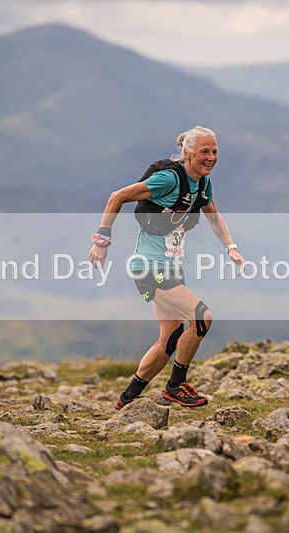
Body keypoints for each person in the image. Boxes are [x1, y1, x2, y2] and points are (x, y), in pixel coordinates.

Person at [88, 126, 244, 409]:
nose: (211, 157)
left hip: (172, 269)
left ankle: (127, 400)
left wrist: (231, 247)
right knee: (202, 318)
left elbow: (214, 216)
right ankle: (175, 386)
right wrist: (102, 240)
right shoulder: (168, 179)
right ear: (187, 153)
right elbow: (117, 196)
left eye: (215, 151)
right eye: (204, 151)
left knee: (170, 339)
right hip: (148, 268)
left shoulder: (203, 185)